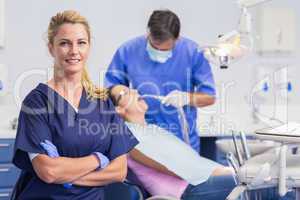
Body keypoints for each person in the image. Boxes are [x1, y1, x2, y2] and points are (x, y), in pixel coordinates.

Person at [12, 10, 138, 200]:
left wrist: (67, 174)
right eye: (64, 43)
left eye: (81, 43)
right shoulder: (37, 102)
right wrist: (98, 159)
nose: (74, 51)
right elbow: (49, 172)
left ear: (89, 47)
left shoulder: (101, 101)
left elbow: (119, 170)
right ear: (51, 48)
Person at [110, 88, 295, 200]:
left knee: (282, 182)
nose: (135, 91)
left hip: (201, 180)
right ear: (118, 109)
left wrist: (229, 171)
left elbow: (191, 160)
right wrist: (230, 172)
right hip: (190, 189)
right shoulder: (128, 135)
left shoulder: (151, 129)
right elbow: (176, 167)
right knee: (276, 187)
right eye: (125, 93)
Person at [105, 9, 216, 153]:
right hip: (144, 140)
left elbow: (210, 97)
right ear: (148, 33)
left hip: (182, 140)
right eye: (154, 46)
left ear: (177, 39)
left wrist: (187, 98)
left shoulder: (193, 52)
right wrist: (124, 98)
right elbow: (111, 93)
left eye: (165, 49)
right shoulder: (128, 51)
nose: (158, 52)